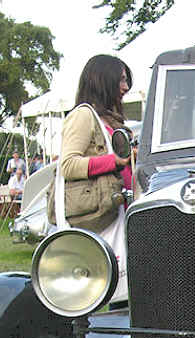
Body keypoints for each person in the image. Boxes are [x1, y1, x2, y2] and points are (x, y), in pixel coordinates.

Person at [51, 54, 134, 301]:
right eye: (120, 80)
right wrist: (114, 162)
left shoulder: (111, 119)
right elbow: (68, 165)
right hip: (102, 219)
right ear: (102, 80)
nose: (125, 87)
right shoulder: (84, 116)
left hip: (119, 212)